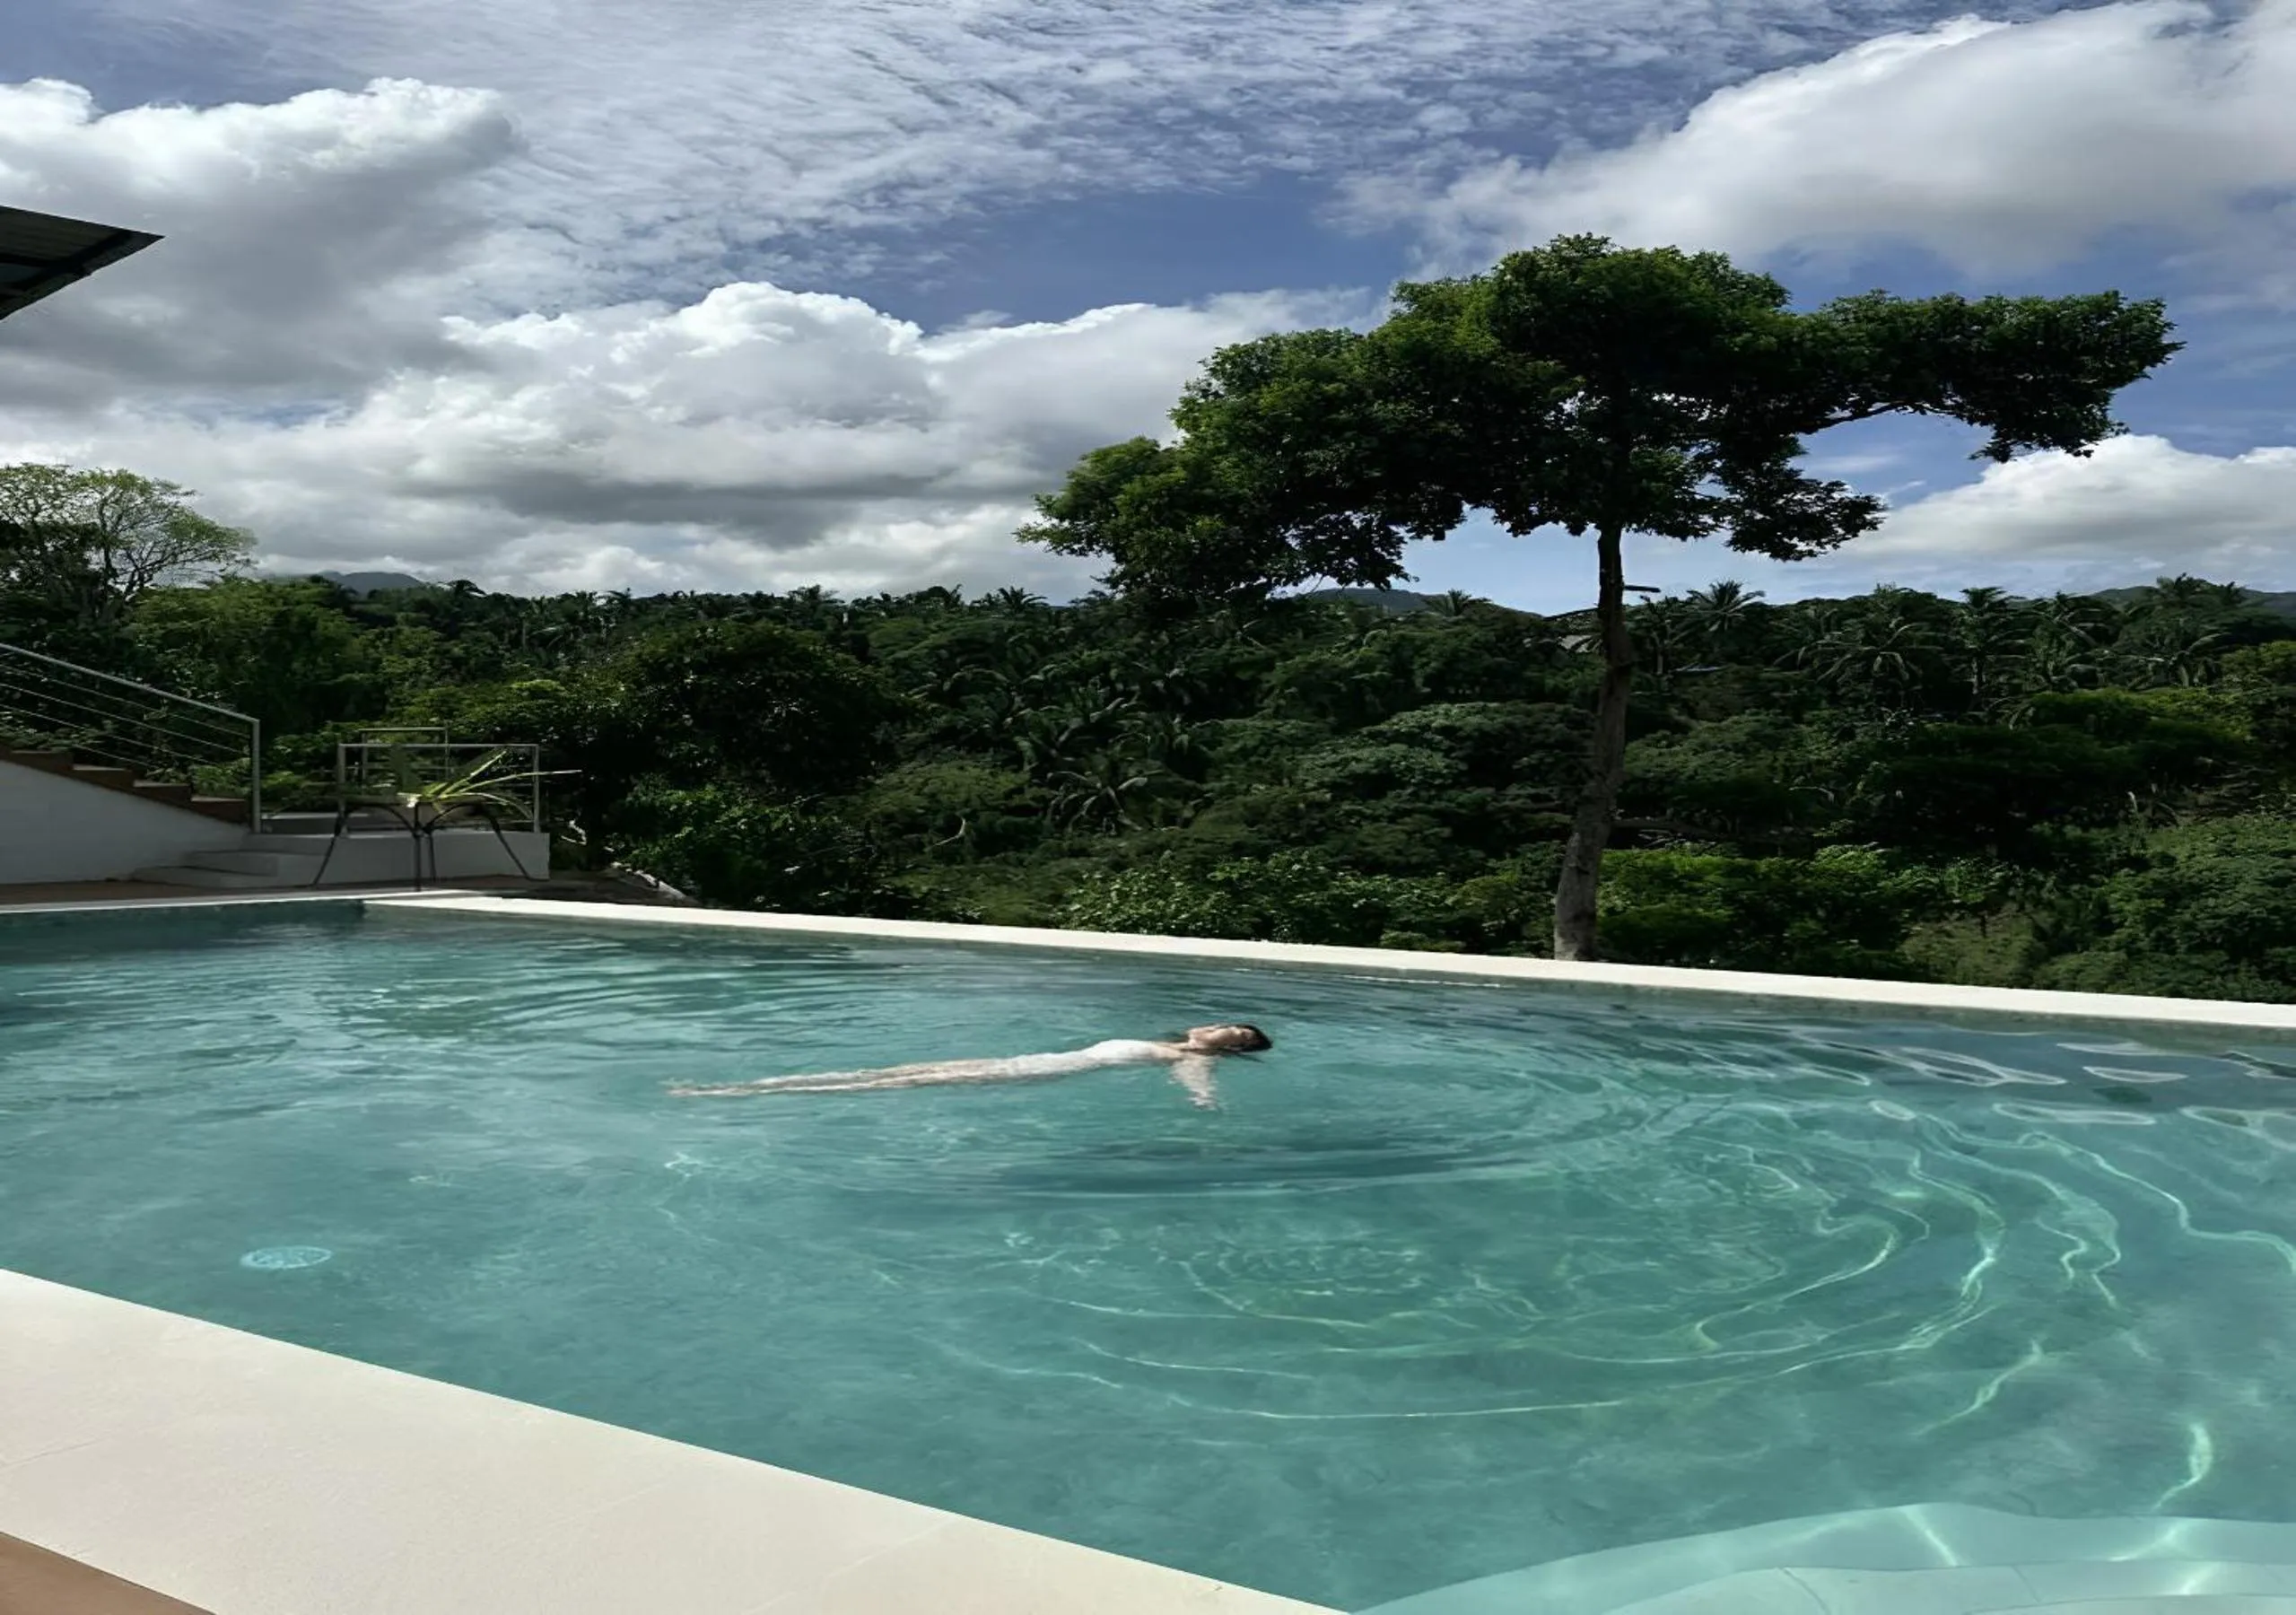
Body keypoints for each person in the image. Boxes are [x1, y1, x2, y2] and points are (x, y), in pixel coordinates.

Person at [668, 1024, 1272, 1109]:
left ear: (1231, 1047)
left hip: (1038, 1073)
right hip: (1024, 1059)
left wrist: (1203, 1102)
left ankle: (723, 1095)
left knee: (903, 1083)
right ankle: (739, 1086)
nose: (1222, 1024)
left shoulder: (1185, 1059)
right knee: (888, 1070)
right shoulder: (1161, 1040)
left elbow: (1198, 1087)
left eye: (1235, 1031)